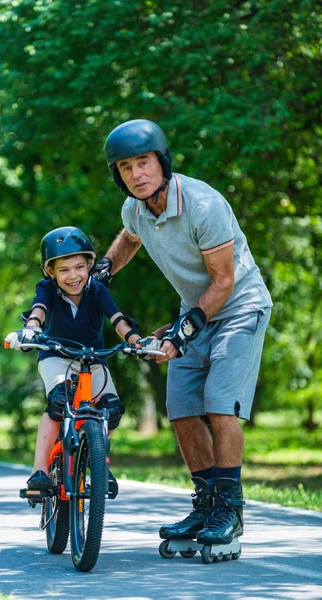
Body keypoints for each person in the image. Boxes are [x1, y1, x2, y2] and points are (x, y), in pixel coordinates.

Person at [93, 119, 273, 549]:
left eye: (143, 162)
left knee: (220, 403)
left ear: (162, 162)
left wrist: (182, 331)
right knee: (181, 407)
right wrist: (104, 271)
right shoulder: (134, 209)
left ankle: (230, 508)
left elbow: (224, 281)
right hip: (193, 311)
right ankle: (206, 505)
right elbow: (130, 238)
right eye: (125, 167)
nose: (136, 174)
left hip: (239, 308)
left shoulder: (202, 205)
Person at [5, 226, 143, 498]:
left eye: (79, 267)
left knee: (112, 409)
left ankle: (96, 458)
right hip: (56, 357)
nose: (73, 276)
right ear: (50, 272)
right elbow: (39, 310)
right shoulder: (47, 290)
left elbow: (116, 318)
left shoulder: (97, 290)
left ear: (90, 265)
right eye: (64, 270)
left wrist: (136, 340)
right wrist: (32, 329)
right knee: (59, 400)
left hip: (92, 360)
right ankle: (39, 470)